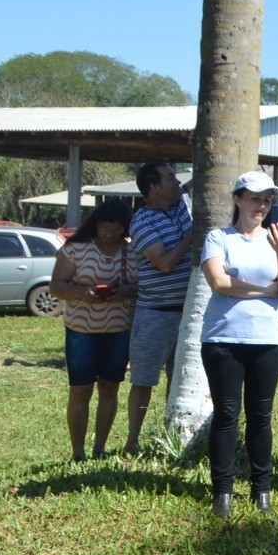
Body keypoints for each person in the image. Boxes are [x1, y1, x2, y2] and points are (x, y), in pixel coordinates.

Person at [200, 171, 278, 517]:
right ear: (238, 199)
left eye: (267, 200)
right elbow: (219, 282)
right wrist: (263, 290)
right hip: (223, 338)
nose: (262, 205)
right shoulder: (218, 237)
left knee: (261, 417)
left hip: (267, 340)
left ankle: (262, 490)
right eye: (255, 198)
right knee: (227, 414)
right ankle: (222, 492)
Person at [51, 199, 137, 461]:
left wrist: (126, 290)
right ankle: (78, 452)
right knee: (80, 389)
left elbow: (142, 286)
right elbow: (56, 286)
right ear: (95, 224)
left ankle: (100, 448)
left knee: (110, 388)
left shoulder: (133, 252)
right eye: (104, 227)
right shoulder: (76, 249)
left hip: (118, 330)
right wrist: (80, 292)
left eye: (115, 229)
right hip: (81, 330)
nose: (109, 234)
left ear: (125, 227)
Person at [124, 161, 193, 455]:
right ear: (153, 186)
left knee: (178, 380)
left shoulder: (180, 204)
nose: (177, 182)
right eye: (169, 178)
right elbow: (163, 262)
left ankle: (170, 436)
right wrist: (195, 233)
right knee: (144, 380)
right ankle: (132, 440)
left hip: (188, 313)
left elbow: (197, 182)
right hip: (155, 314)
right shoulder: (142, 222)